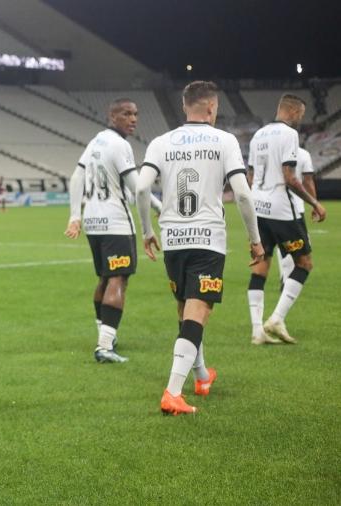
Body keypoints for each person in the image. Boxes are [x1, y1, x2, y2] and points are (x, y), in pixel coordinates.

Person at [136, 81, 265, 415]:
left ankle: (202, 376)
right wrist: (255, 239)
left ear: (184, 106)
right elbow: (243, 194)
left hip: (173, 239)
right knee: (199, 310)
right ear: (212, 108)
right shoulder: (224, 141)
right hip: (207, 238)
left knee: (185, 308)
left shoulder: (161, 142)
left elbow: (140, 188)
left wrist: (148, 231)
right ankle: (172, 393)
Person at [65, 98, 148, 363]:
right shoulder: (119, 144)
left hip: (93, 221)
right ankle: (104, 346)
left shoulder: (95, 141)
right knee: (118, 278)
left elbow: (76, 177)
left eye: (135, 114)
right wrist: (158, 208)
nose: (133, 119)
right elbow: (138, 187)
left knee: (104, 277)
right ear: (113, 116)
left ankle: (105, 335)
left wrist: (75, 216)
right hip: (115, 222)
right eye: (127, 114)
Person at [246, 95, 326, 345]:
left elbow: (250, 176)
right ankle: (277, 318)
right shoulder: (289, 135)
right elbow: (290, 177)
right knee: (304, 263)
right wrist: (315, 203)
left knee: (261, 267)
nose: (300, 120)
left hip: (259, 208)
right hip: (282, 209)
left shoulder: (258, 135)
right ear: (291, 111)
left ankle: (257, 330)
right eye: (300, 114)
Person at [277, 147, 316, 294]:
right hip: (294, 207)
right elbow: (308, 180)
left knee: (286, 245)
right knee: (299, 247)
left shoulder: (276, 151)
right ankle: (286, 279)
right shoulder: (304, 154)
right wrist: (314, 203)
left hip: (274, 206)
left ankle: (285, 276)